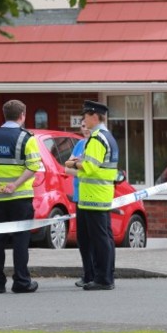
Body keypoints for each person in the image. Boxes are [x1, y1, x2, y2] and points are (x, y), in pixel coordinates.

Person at [0, 99, 42, 294]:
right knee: (21, 240)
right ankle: (21, 281)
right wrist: (16, 184)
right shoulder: (27, 138)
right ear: (22, 115)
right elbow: (34, 166)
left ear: (4, 115)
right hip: (20, 197)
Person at [65, 100, 119, 290]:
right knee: (105, 237)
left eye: (86, 116)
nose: (84, 120)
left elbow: (90, 167)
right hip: (101, 195)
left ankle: (103, 279)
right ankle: (107, 275)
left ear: (94, 116)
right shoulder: (107, 136)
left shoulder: (97, 139)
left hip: (93, 196)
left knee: (99, 239)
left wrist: (73, 164)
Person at [64, 121, 92, 287]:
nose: (86, 128)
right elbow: (66, 169)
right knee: (83, 239)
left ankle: (98, 273)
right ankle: (87, 274)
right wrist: (81, 169)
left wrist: (77, 167)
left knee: (94, 238)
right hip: (79, 196)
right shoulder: (79, 144)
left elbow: (93, 169)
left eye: (88, 125)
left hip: (93, 197)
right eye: (83, 126)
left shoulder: (96, 144)